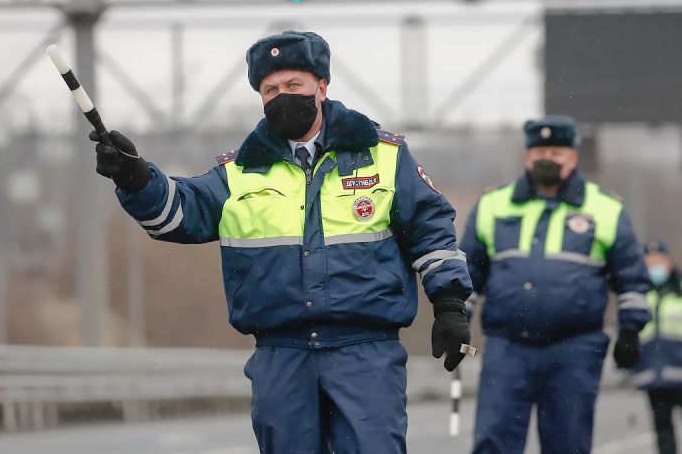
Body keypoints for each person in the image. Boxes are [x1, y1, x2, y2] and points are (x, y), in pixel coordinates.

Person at [89, 30, 473, 452]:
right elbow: (178, 213)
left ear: (321, 87)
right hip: (280, 357)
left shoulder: (385, 157)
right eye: (270, 90)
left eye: (294, 85)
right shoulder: (238, 173)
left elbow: (431, 230)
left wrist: (450, 304)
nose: (282, 96)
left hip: (366, 354)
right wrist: (136, 177)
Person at [460, 115, 651, 454]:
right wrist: (456, 320)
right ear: (527, 156)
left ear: (573, 157)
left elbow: (630, 276)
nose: (547, 158)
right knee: (493, 442)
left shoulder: (605, 208)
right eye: (539, 151)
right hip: (507, 347)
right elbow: (470, 273)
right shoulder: (493, 205)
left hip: (575, 349)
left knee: (568, 445)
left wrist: (631, 331)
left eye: (557, 151)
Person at [632, 241, 682, 454]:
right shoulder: (641, 297)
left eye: (658, 262)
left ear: (669, 263)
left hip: (680, 372)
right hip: (654, 376)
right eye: (649, 263)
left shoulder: (678, 294)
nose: (655, 267)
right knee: (662, 429)